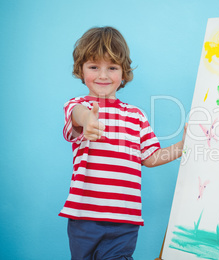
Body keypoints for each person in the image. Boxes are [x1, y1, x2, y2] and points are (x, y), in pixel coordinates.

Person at [60, 26, 186, 260]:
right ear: (81, 70)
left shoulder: (136, 115)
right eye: (94, 66)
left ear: (124, 73)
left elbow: (149, 157)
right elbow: (76, 114)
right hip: (84, 217)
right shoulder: (78, 106)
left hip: (124, 220)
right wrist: (88, 119)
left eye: (112, 67)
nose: (103, 75)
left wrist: (182, 146)